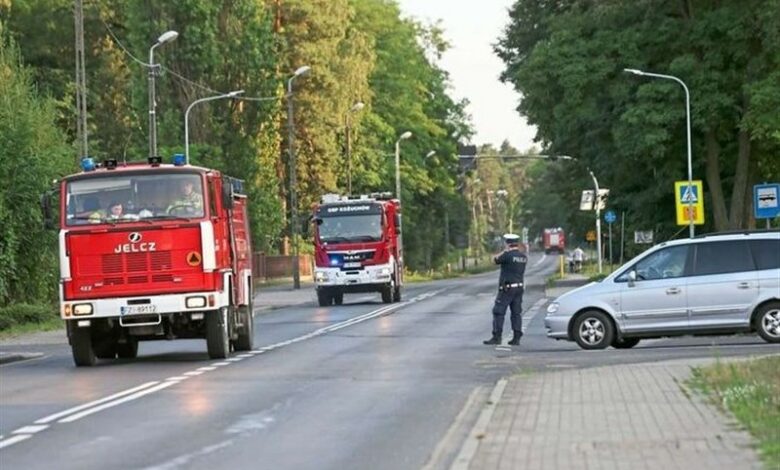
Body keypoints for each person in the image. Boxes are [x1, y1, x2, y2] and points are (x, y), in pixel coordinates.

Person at [483, 233, 528, 346]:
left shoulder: (507, 255)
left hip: (507, 289)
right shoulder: (523, 257)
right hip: (519, 288)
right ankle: (516, 337)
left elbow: (494, 260)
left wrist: (505, 251)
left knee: (498, 312)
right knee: (516, 313)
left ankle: (497, 337)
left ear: (507, 243)